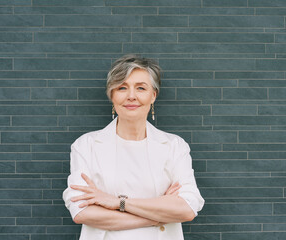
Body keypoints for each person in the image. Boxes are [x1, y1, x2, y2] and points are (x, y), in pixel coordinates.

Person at [62, 55, 205, 240]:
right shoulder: (86, 145)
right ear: (112, 95)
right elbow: (81, 212)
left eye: (140, 88)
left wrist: (116, 202)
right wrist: (157, 217)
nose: (131, 96)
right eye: (122, 87)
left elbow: (187, 209)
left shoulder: (175, 146)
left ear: (153, 95)